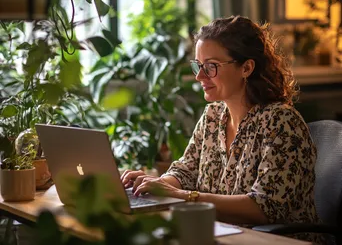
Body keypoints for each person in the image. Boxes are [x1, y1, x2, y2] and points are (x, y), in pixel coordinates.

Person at [121, 16, 319, 229]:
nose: (200, 77)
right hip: (223, 233)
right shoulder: (213, 116)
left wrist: (183, 196)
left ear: (246, 68)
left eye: (211, 66)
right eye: (198, 66)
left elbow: (264, 208)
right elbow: (186, 171)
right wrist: (156, 185)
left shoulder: (281, 123)